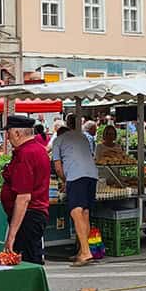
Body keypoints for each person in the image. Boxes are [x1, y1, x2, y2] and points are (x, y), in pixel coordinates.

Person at [50, 114, 99, 266]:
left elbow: (58, 167)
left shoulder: (58, 141)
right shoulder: (82, 137)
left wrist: (64, 180)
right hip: (92, 175)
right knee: (85, 212)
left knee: (76, 211)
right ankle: (83, 250)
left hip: (76, 176)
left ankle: (85, 252)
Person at [1, 116, 51, 265]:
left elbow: (24, 197)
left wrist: (11, 236)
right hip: (33, 216)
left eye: (8, 132)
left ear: (17, 133)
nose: (7, 137)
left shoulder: (26, 154)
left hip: (28, 217)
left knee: (25, 264)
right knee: (30, 260)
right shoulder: (38, 149)